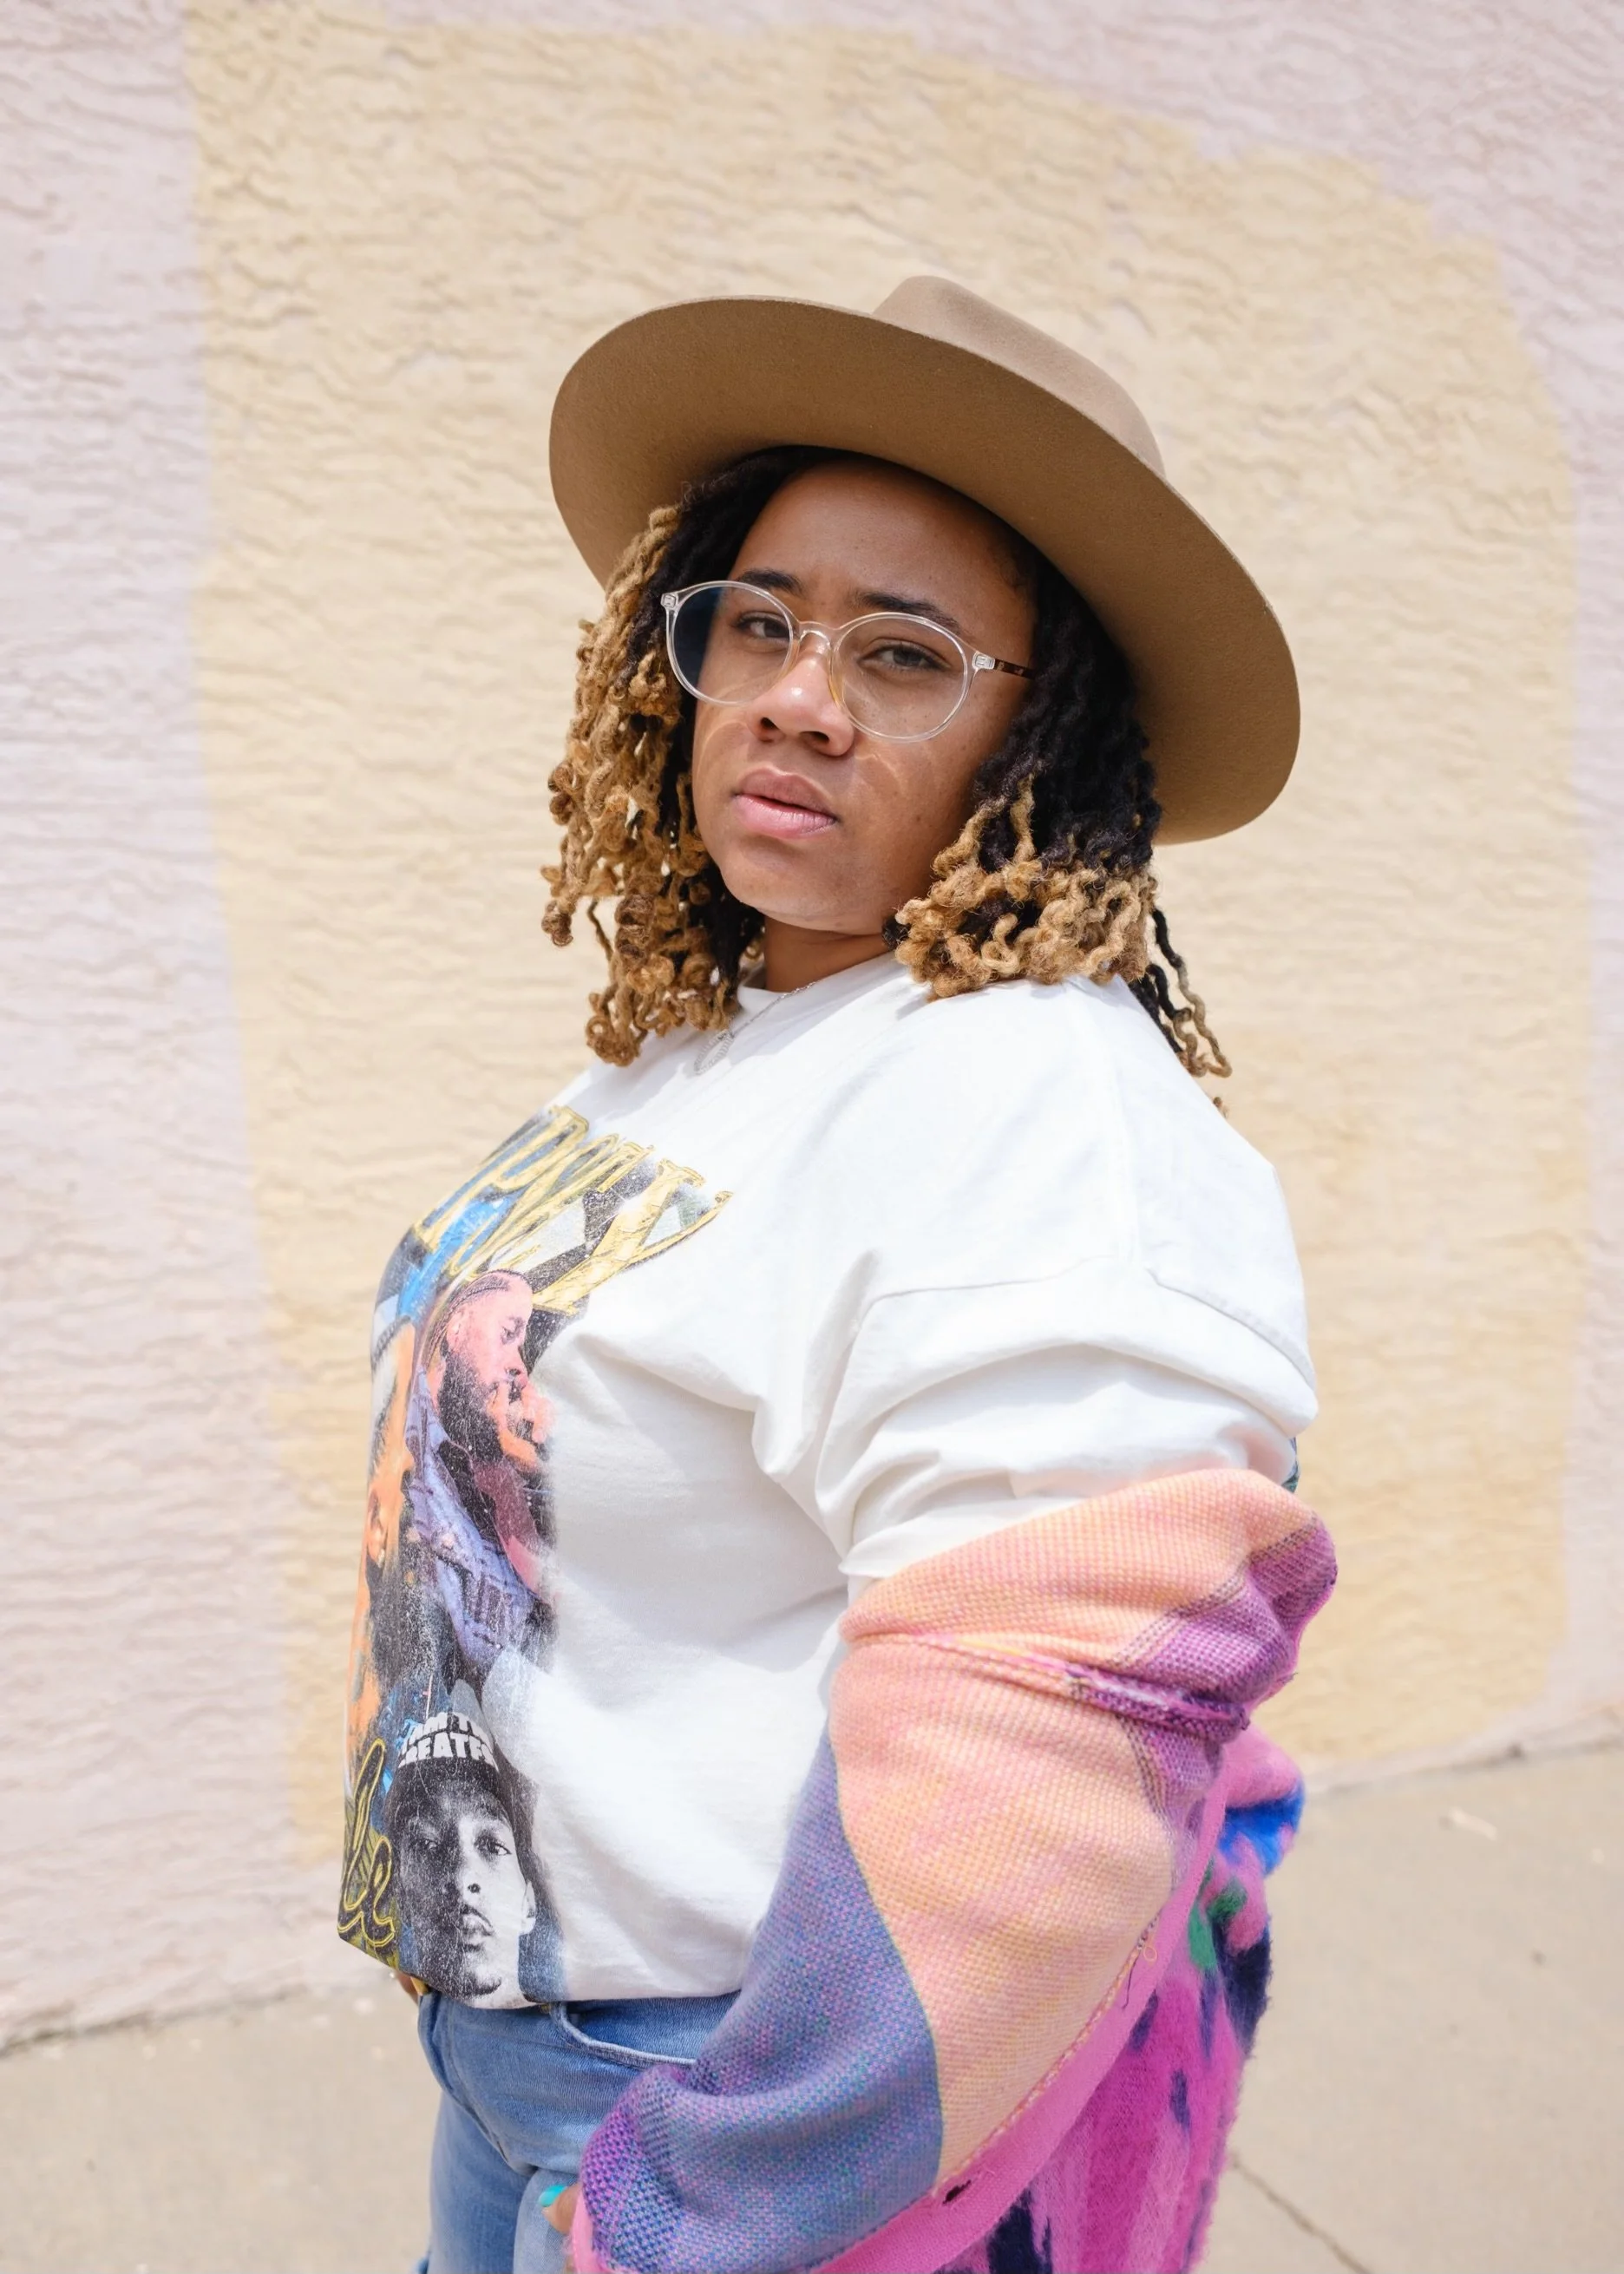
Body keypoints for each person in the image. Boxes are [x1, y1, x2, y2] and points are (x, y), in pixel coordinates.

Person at [341, 276, 1336, 2274]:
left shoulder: (1039, 1114)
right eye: (765, 620)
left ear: (1041, 744)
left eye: (905, 653)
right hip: (525, 2061)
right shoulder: (735, 1030)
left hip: (704, 2125)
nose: (803, 690)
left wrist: (694, 2210)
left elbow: (1033, 1802)